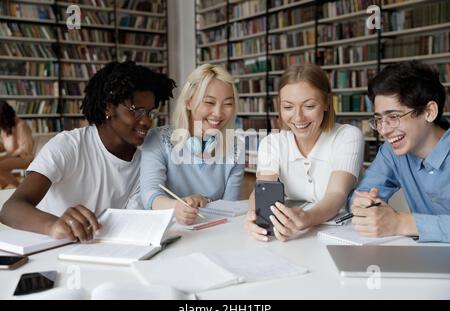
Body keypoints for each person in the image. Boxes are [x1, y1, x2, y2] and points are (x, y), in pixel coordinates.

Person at [0, 61, 176, 242]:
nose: (147, 122)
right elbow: (10, 209)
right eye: (137, 111)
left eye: (150, 112)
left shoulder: (146, 162)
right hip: (47, 249)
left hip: (99, 252)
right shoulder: (69, 146)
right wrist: (54, 225)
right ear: (108, 107)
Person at [245, 63, 365, 242]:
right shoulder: (272, 143)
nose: (298, 117)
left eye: (309, 106)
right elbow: (263, 191)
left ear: (326, 103)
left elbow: (336, 194)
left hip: (342, 235)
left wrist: (307, 218)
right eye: (288, 107)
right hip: (297, 237)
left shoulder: (347, 136)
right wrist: (255, 216)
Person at [350, 60, 450, 243]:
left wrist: (401, 223)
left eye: (394, 117)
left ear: (429, 111)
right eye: (379, 119)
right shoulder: (392, 151)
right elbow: (361, 194)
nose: (384, 130)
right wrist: (364, 206)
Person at [140, 64, 244, 225]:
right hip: (168, 230)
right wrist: (176, 207)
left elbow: (230, 208)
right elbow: (149, 194)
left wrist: (206, 201)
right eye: (209, 102)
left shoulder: (236, 148)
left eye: (228, 104)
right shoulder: (158, 139)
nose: (218, 113)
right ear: (189, 102)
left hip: (214, 233)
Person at [0, 101, 34, 189]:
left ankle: (19, 188)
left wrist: (8, 155)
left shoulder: (21, 125)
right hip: (13, 156)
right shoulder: (6, 127)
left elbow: (26, 149)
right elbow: (6, 146)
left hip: (24, 157)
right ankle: (4, 187)